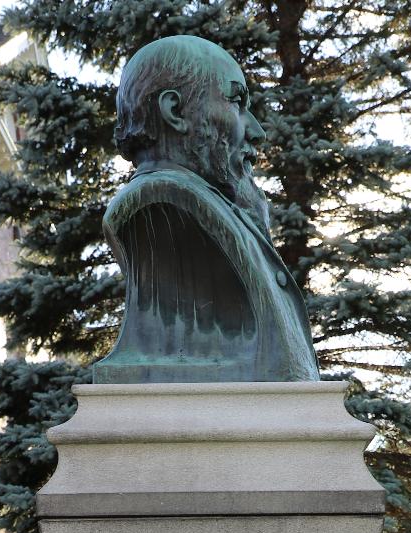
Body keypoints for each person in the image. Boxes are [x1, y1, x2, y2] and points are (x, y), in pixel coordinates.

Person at [92, 35, 320, 383]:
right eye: (236, 102)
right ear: (175, 112)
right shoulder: (158, 206)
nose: (255, 131)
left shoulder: (220, 208)